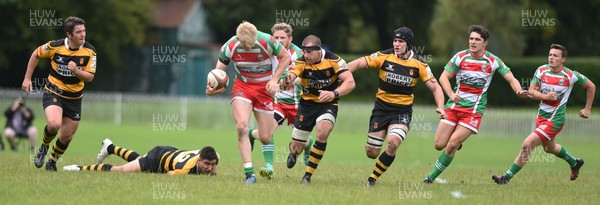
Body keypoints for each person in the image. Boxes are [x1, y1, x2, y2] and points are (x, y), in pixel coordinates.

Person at [423, 25, 529, 183]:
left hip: (473, 112)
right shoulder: (460, 57)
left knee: (451, 145)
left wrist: (518, 91)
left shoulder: (492, 61)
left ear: (485, 42)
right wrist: (451, 94)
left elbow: (511, 78)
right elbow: (443, 77)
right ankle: (456, 142)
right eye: (471, 39)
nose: (473, 42)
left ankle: (430, 178)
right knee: (439, 144)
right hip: (453, 107)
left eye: (477, 40)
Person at [346, 27, 446, 186]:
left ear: (409, 44)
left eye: (401, 41)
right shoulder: (384, 56)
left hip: (402, 112)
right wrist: (341, 74)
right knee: (371, 152)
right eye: (395, 41)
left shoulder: (419, 64)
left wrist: (441, 106)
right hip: (381, 109)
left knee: (393, 143)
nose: (396, 44)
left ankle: (372, 178)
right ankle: (376, 153)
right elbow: (358, 63)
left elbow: (436, 87)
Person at [492, 44, 595, 184]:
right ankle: (574, 162)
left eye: (555, 55)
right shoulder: (541, 71)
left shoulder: (570, 76)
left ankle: (505, 178)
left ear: (563, 59)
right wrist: (546, 97)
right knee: (549, 148)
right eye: (550, 55)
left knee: (527, 144)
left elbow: (591, 86)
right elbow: (531, 92)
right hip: (541, 117)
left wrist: (587, 109)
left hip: (555, 120)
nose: (551, 58)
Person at [206, 21, 290, 184]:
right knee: (241, 125)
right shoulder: (230, 46)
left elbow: (286, 57)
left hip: (265, 89)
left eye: (250, 45)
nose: (247, 48)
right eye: (244, 45)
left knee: (266, 137)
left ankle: (252, 134)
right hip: (243, 87)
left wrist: (274, 80)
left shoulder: (267, 41)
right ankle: (249, 173)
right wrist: (211, 88)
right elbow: (218, 73)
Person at [22, 16, 97, 171]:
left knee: (67, 136)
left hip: (74, 99)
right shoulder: (55, 46)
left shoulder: (90, 51)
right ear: (69, 35)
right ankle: (43, 148)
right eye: (78, 32)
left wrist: (76, 71)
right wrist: (27, 78)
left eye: (84, 31)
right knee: (54, 124)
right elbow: (36, 54)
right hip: (53, 92)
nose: (83, 34)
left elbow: (90, 77)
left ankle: (52, 162)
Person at [283, 35, 355, 184]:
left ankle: (307, 176)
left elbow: (350, 82)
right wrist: (286, 80)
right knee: (297, 147)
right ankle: (294, 152)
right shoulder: (301, 61)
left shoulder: (334, 60)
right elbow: (292, 74)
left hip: (328, 104)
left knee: (323, 131)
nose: (306, 55)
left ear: (318, 50)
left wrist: (333, 93)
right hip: (307, 105)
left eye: (309, 52)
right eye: (304, 52)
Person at [247, 23, 315, 179]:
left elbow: (306, 77)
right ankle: (269, 165)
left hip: (299, 105)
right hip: (277, 103)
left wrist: (292, 81)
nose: (278, 40)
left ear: (290, 39)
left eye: (282, 38)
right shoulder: (268, 51)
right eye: (276, 37)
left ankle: (308, 143)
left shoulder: (299, 54)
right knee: (267, 131)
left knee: (297, 145)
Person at [62, 139, 219, 175]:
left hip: (169, 151)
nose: (211, 168)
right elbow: (171, 174)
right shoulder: (185, 170)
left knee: (136, 161)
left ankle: (110, 147)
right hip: (157, 159)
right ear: (199, 160)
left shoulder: (209, 158)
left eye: (213, 165)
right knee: (121, 170)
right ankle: (79, 168)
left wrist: (210, 170)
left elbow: (215, 155)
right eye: (207, 164)